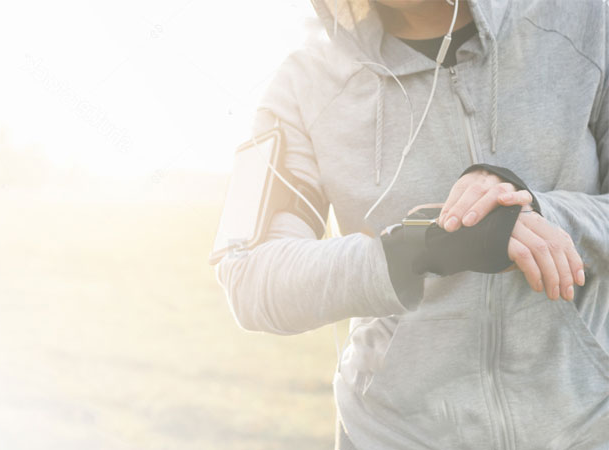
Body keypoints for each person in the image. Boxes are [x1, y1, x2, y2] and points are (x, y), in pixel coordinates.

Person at [215, 0, 609, 448]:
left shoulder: (590, 20)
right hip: (393, 435)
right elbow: (249, 274)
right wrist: (420, 247)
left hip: (588, 429)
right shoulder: (303, 80)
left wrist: (535, 213)